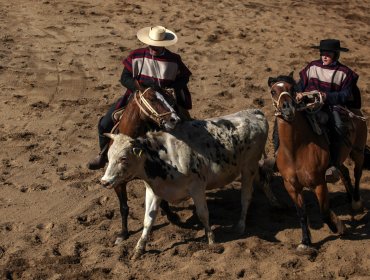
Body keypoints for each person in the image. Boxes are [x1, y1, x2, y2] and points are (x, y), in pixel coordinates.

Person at [87, 26, 192, 170]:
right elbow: (124, 78)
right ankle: (103, 155)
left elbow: (184, 78)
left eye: (158, 45)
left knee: (185, 125)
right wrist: (139, 87)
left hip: (162, 101)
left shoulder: (173, 60)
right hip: (137, 98)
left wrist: (172, 87)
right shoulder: (136, 55)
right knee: (105, 123)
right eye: (152, 44)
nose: (154, 47)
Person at [295, 39, 361, 182]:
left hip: (331, 106)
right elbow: (300, 85)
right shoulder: (312, 66)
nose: (324, 56)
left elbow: (344, 95)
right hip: (307, 104)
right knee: (284, 118)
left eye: (328, 54)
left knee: (338, 126)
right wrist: (299, 93)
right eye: (322, 53)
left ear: (336, 55)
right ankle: (277, 155)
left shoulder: (345, 73)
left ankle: (334, 164)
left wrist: (327, 96)